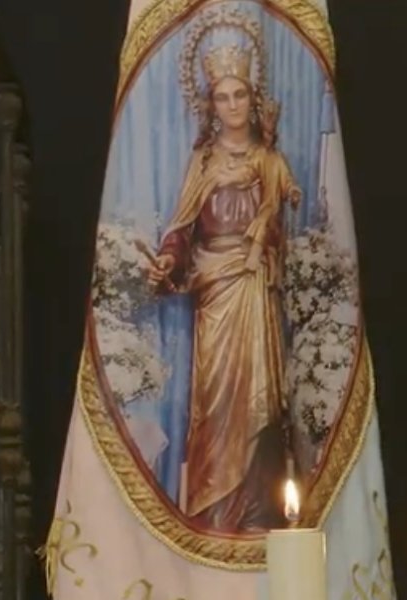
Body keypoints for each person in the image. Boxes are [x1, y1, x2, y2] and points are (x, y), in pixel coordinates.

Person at [146, 38, 301, 534]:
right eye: (222, 97)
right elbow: (182, 226)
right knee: (215, 404)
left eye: (239, 95)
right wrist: (167, 261)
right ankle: (215, 511)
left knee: (259, 395)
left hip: (253, 283)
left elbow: (280, 221)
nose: (232, 106)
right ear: (210, 104)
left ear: (251, 100)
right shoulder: (205, 161)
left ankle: (257, 511)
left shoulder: (268, 159)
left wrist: (267, 236)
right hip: (215, 286)